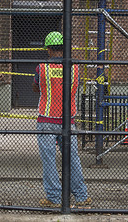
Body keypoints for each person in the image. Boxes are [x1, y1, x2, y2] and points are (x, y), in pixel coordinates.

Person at [33, 31, 91, 208]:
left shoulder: (42, 68)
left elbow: (37, 87)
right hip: (67, 120)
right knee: (72, 158)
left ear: (49, 50)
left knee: (49, 160)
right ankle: (82, 197)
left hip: (46, 119)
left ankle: (54, 198)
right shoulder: (74, 68)